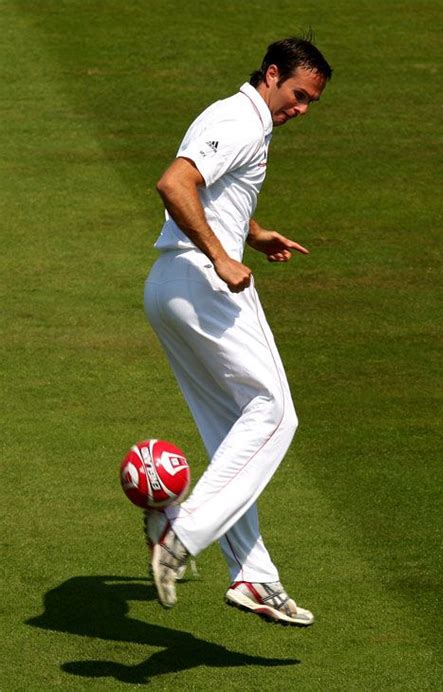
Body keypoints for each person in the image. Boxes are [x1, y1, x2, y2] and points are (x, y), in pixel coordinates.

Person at [144, 35, 332, 626]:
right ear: (272, 74)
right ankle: (182, 532)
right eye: (298, 94)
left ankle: (253, 575)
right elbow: (175, 184)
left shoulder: (243, 121)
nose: (301, 108)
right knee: (276, 412)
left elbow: (215, 187)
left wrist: (252, 233)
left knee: (235, 429)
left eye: (311, 103)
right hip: (204, 283)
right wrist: (225, 257)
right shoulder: (241, 120)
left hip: (170, 287)